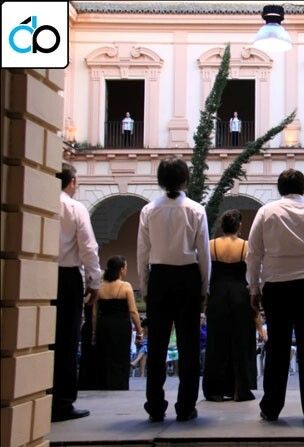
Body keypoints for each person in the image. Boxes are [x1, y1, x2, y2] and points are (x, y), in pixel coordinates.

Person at [246, 169, 304, 422]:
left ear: (279, 188)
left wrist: (254, 288)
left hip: (277, 285)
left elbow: (253, 254)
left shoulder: (266, 212)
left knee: (277, 347)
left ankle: (271, 407)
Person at [137, 156, 210, 422]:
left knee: (156, 345)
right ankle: (186, 406)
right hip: (188, 278)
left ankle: (155, 406)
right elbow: (203, 252)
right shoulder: (195, 210)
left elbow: (142, 253)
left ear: (160, 180)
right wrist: (204, 287)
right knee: (189, 345)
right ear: (185, 179)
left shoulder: (148, 210)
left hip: (159, 278)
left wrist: (146, 286)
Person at [52, 163, 101, 422]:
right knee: (66, 341)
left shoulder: (40, 201)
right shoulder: (74, 207)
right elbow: (88, 247)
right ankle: (62, 402)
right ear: (71, 182)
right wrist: (94, 281)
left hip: (40, 272)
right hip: (67, 277)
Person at [202, 209, 257, 402]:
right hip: (240, 295)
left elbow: (205, 271)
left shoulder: (211, 245)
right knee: (240, 341)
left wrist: (205, 296)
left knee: (216, 342)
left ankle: (215, 390)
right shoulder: (246, 246)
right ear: (239, 226)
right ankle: (239, 389)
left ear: (222, 226)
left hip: (217, 294)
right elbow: (253, 272)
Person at [92, 255, 143, 390]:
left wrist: (94, 332)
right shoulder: (126, 286)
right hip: (121, 326)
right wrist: (139, 331)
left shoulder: (100, 287)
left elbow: (95, 313)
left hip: (103, 325)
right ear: (121, 270)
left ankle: (104, 385)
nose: (126, 270)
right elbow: (133, 311)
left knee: (104, 356)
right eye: (125, 267)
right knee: (121, 356)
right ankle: (120, 385)